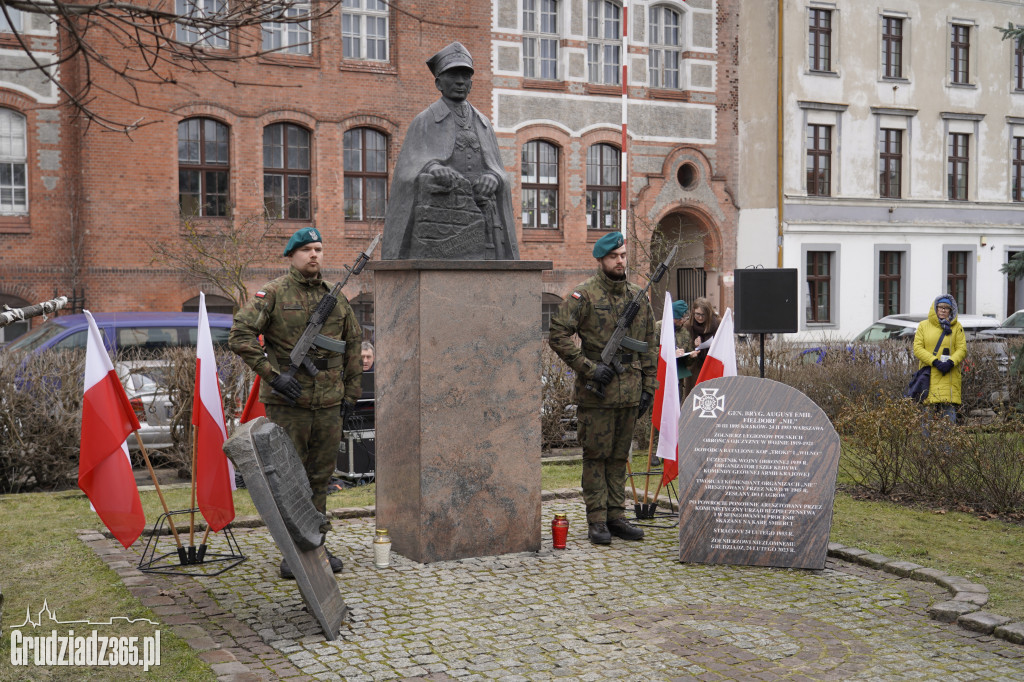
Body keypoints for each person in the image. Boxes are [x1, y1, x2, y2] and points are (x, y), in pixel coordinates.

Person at [229, 227, 363, 578]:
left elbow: (352, 347)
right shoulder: (272, 294)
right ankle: (292, 552)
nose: (314, 255)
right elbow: (240, 335)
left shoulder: (335, 298)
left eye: (319, 248)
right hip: (290, 405)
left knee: (320, 478)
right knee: (290, 479)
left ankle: (315, 544)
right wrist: (272, 375)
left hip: (329, 406)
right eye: (306, 250)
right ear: (292, 255)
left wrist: (351, 396)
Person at [548, 232, 657, 545]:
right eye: (614, 257)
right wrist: (590, 368)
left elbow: (650, 344)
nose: (621, 261)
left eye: (623, 255)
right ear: (601, 260)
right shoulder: (585, 296)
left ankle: (616, 515)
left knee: (619, 456)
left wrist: (649, 386)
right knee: (596, 457)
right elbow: (558, 335)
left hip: (631, 391)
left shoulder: (638, 296)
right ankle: (597, 520)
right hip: (598, 393)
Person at [382, 41, 518, 260]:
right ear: (438, 83)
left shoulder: (483, 123)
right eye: (453, 75)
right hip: (441, 223)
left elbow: (499, 169)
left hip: (482, 218)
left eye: (466, 76)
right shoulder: (424, 121)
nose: (460, 81)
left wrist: (494, 177)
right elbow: (406, 171)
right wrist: (432, 167)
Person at [913, 295, 966, 423]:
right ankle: (927, 444)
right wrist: (935, 361)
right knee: (927, 420)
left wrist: (951, 362)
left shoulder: (957, 327)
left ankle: (946, 444)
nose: (943, 310)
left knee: (948, 421)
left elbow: (962, 349)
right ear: (935, 308)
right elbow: (918, 348)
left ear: (951, 310)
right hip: (929, 377)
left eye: (946, 308)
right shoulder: (923, 326)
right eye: (940, 307)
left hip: (949, 376)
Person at [681, 297, 721, 399]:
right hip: (695, 367)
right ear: (693, 312)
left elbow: (722, 344)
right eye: (697, 314)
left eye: (703, 315)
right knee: (694, 397)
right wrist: (694, 345)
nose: (700, 317)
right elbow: (684, 349)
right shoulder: (688, 326)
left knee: (712, 396)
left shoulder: (717, 324)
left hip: (712, 364)